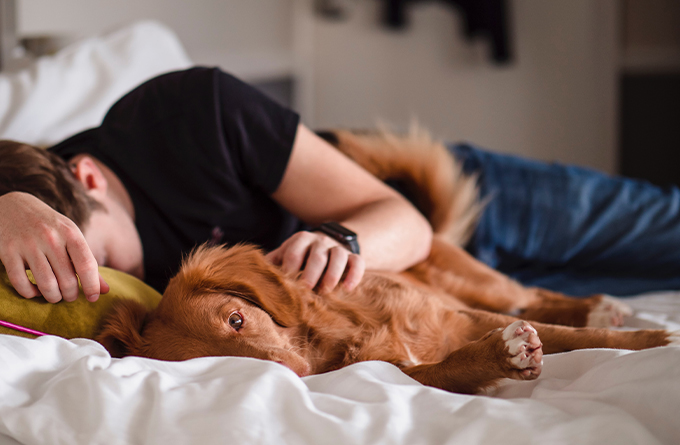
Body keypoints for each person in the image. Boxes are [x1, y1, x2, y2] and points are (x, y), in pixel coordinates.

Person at [0, 67, 433, 304]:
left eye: (104, 259)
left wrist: (339, 243)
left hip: (411, 175)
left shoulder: (196, 112)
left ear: (90, 178)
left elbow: (409, 224)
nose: (104, 288)